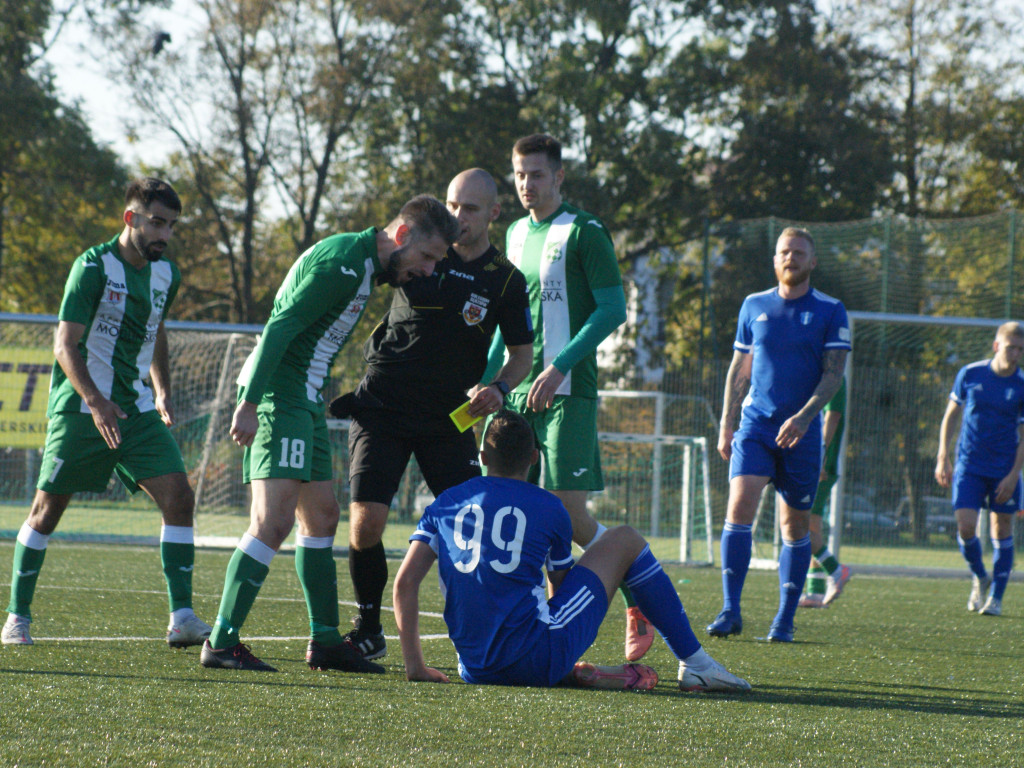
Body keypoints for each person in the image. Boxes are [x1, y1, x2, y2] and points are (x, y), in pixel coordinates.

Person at [199, 195, 459, 672]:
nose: (428, 270)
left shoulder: (360, 265)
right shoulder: (342, 264)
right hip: (281, 396)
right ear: (401, 236)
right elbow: (278, 329)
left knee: (321, 516)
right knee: (272, 522)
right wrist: (250, 404)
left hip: (304, 401)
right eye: (427, 257)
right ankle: (221, 641)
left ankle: (324, 641)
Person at [393, 409, 751, 693]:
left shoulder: (445, 502)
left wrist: (415, 667)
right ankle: (697, 666)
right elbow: (561, 590)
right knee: (625, 538)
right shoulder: (549, 506)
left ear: (483, 455)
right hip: (535, 659)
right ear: (534, 457)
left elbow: (404, 585)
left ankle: (571, 668)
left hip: (473, 669)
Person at [2, 178, 211, 648]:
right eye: (156, 222)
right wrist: (95, 401)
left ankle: (182, 618)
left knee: (179, 497)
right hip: (82, 408)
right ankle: (17, 617)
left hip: (135, 409)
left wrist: (161, 389)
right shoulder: (92, 267)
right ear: (131, 218)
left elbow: (156, 330)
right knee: (46, 510)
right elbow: (64, 344)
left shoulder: (165, 274)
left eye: (172, 226)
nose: (164, 234)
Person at [334, 169, 534, 661]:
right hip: (383, 403)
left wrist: (500, 389)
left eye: (469, 208)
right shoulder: (421, 250)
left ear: (493, 213)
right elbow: (369, 258)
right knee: (366, 525)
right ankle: (368, 627)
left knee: (469, 525)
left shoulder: (506, 280)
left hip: (450, 417)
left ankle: (487, 628)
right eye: (451, 205)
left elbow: (522, 357)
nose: (458, 216)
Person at [482, 133, 654, 662]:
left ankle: (636, 592)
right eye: (519, 174)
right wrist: (488, 383)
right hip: (515, 394)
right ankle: (544, 629)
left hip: (567, 391)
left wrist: (558, 367)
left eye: (536, 174)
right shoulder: (511, 234)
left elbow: (611, 310)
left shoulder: (584, 232)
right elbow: (508, 324)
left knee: (567, 515)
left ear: (559, 177)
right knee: (510, 508)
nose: (526, 184)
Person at [707, 226, 849, 643]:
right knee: (740, 505)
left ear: (812, 262)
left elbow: (834, 374)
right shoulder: (753, 306)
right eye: (785, 252)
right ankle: (731, 610)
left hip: (802, 433)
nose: (791, 258)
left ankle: (785, 619)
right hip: (756, 425)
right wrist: (725, 422)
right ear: (775, 260)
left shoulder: (831, 310)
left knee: (795, 524)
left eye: (799, 253)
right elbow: (740, 369)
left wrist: (805, 418)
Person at [935, 321, 1024, 617]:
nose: (1016, 354)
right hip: (969, 466)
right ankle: (980, 576)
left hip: (1004, 470)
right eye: (1011, 347)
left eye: (1021, 349)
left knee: (1002, 529)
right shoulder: (971, 373)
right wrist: (942, 457)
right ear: (997, 345)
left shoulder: (1022, 384)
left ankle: (996, 598)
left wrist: (1014, 475)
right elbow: (950, 416)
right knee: (965, 527)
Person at [798, 378, 852, 608]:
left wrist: (818, 456)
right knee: (811, 527)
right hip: (815, 462)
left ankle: (836, 571)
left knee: (801, 527)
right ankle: (815, 591)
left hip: (821, 466)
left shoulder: (834, 376)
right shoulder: (812, 371)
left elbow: (833, 415)